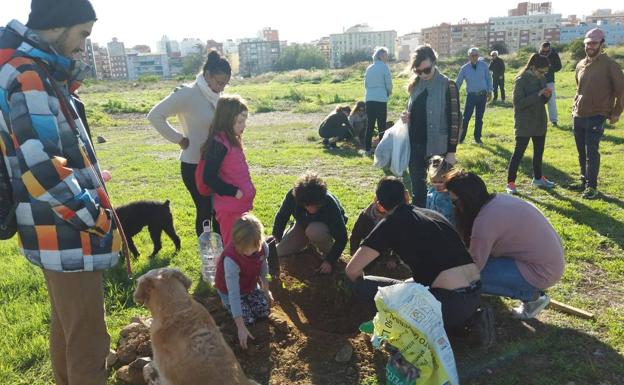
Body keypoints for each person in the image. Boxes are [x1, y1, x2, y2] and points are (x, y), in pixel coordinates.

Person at [0, 2, 121, 384]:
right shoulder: (30, 76)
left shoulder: (34, 71)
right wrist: (95, 217)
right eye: (83, 33)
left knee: (68, 327)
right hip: (69, 233)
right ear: (59, 25)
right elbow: (42, 170)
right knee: (90, 345)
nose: (84, 45)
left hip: (52, 230)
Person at [346, 177, 493, 341]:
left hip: (447, 303)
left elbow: (351, 270)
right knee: (406, 286)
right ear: (407, 196)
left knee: (363, 286)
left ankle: (401, 336)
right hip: (473, 294)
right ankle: (463, 327)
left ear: (380, 206)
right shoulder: (432, 215)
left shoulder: (390, 224)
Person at [445, 171, 565, 320]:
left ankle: (532, 297)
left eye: (454, 202)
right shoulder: (497, 200)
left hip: (542, 272)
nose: (453, 207)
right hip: (550, 262)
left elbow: (473, 268)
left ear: (466, 200)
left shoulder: (485, 222)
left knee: (470, 280)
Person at [148, 50, 231, 236]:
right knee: (205, 210)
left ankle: (222, 252)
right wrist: (178, 138)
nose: (221, 88)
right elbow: (155, 116)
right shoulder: (187, 93)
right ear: (207, 74)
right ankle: (207, 254)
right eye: (219, 83)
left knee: (219, 209)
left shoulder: (217, 96)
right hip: (194, 165)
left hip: (217, 163)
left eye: (225, 84)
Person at [400, 45, 461, 207]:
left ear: (434, 62)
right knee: (418, 194)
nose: (423, 74)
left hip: (438, 149)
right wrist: (406, 117)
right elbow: (415, 112)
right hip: (414, 147)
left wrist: (451, 152)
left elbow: (455, 120)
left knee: (440, 194)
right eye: (418, 71)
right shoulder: (414, 86)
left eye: (426, 70)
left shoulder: (448, 85)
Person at [571, 28, 624, 200]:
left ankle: (592, 187)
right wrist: (575, 105)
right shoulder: (580, 64)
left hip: (598, 114)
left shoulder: (610, 65)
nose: (590, 46)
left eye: (594, 43)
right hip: (578, 114)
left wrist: (616, 112)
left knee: (591, 151)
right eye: (587, 43)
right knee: (581, 151)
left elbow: (621, 91)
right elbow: (578, 88)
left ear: (602, 44)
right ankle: (583, 181)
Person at [200, 95, 254, 246]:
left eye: (245, 121)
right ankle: (228, 269)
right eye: (240, 121)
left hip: (240, 206)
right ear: (226, 120)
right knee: (233, 246)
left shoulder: (232, 139)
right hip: (230, 208)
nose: (244, 125)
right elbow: (209, 177)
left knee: (243, 245)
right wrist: (234, 192)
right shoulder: (219, 144)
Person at [214, 214, 272, 350]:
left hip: (249, 286)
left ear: (259, 242)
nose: (248, 252)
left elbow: (264, 267)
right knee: (248, 320)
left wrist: (266, 289)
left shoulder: (263, 248)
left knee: (263, 310)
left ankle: (249, 300)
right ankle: (226, 304)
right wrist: (240, 327)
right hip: (230, 291)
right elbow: (233, 293)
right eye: (244, 249)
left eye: (252, 248)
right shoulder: (231, 260)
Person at [271, 173, 348, 275]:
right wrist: (276, 236)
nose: (312, 209)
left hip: (322, 229)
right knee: (279, 252)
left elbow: (342, 237)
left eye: (316, 205)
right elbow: (282, 216)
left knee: (314, 230)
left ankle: (326, 253)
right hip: (302, 225)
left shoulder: (330, 203)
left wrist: (329, 261)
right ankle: (305, 242)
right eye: (307, 205)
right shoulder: (293, 196)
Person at [506, 54, 555, 195]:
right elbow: (519, 104)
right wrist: (538, 94)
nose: (543, 75)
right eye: (541, 72)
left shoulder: (542, 78)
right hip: (525, 123)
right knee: (518, 153)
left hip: (539, 120)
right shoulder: (521, 81)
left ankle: (538, 178)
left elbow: (543, 101)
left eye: (545, 72)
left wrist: (547, 96)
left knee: (539, 152)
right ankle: (510, 182)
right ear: (533, 68)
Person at [456, 47, 493, 145]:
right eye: (472, 55)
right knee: (466, 118)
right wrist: (454, 93)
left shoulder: (484, 66)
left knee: (479, 118)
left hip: (482, 96)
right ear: (469, 56)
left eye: (476, 55)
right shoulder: (464, 68)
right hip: (471, 96)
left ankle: (477, 138)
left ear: (478, 56)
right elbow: (458, 82)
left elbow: (489, 79)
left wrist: (490, 91)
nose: (474, 57)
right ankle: (461, 138)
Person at [364, 47, 393, 154]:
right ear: (380, 56)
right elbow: (388, 84)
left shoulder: (369, 68)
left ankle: (367, 149)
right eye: (386, 55)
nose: (387, 58)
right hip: (380, 99)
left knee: (370, 124)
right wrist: (388, 92)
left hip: (369, 99)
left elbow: (365, 84)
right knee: (381, 125)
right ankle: (381, 150)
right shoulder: (384, 67)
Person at [426, 156, 456, 226]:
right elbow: (428, 208)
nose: (437, 185)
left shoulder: (451, 195)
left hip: (447, 226)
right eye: (434, 182)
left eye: (441, 182)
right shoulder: (431, 191)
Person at [538, 41, 562, 127]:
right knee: (538, 101)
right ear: (541, 48)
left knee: (551, 101)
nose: (544, 53)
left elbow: (559, 67)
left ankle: (554, 121)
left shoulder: (554, 55)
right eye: (543, 51)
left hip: (549, 81)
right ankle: (539, 120)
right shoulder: (537, 55)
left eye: (546, 51)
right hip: (538, 81)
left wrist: (550, 68)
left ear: (549, 49)